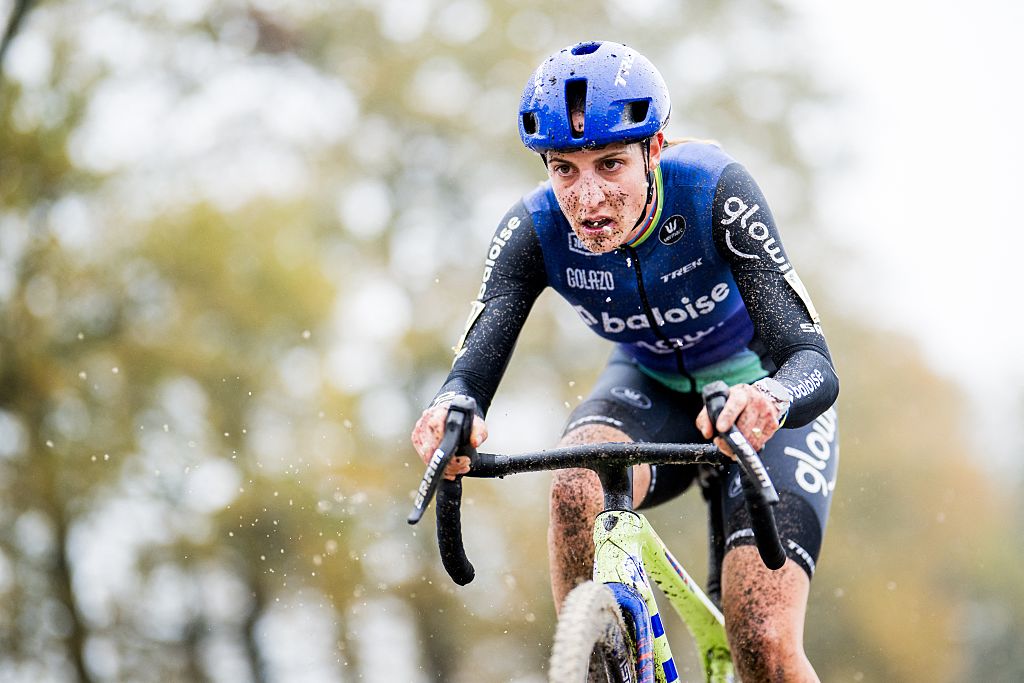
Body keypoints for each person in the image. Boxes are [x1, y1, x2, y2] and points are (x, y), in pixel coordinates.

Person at [410, 40, 839, 682]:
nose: (587, 199)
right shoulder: (534, 230)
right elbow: (470, 371)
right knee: (577, 482)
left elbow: (812, 360)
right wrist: (451, 411)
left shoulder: (715, 192)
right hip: (652, 389)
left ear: (655, 148)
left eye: (610, 164)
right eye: (565, 170)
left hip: (760, 396)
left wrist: (772, 400)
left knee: (763, 641)